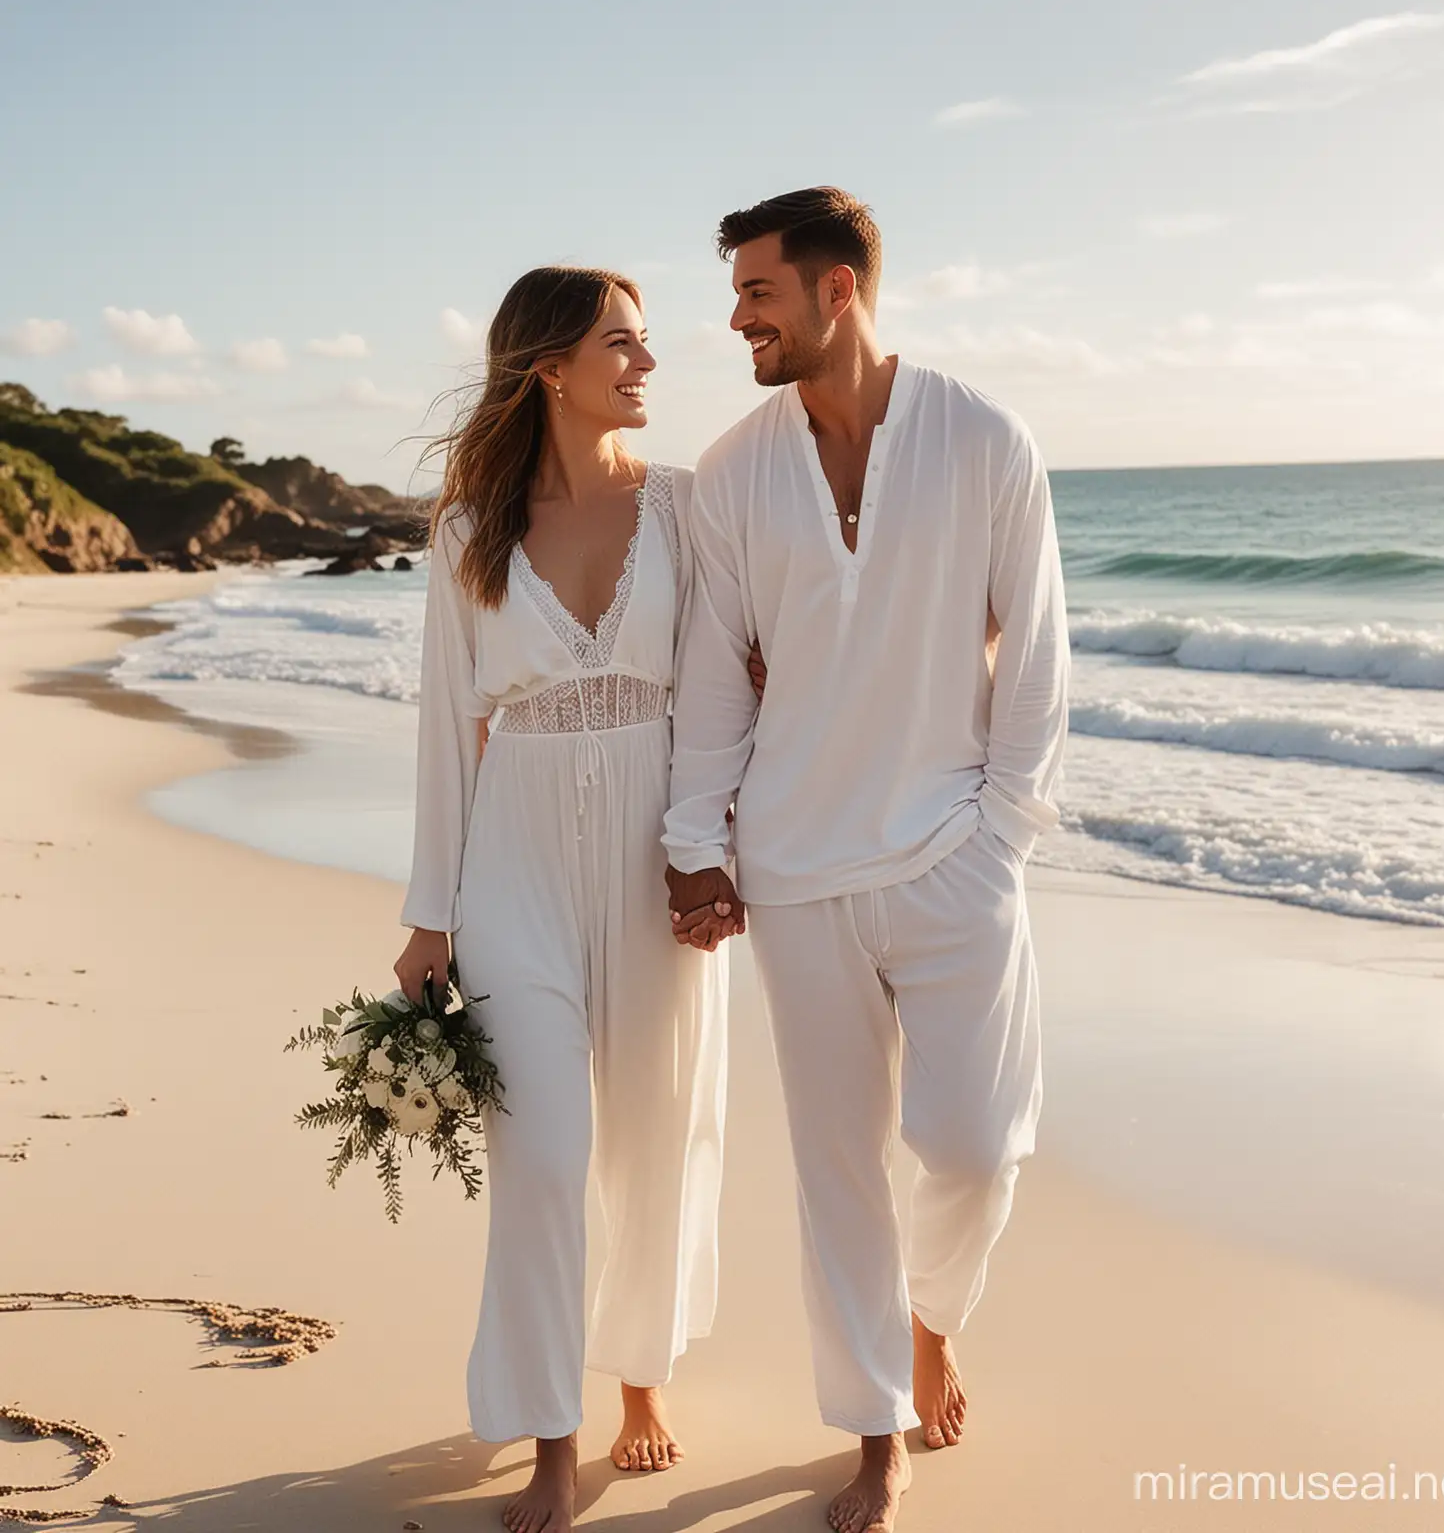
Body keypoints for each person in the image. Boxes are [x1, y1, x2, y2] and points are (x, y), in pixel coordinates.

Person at [663, 187, 1069, 1533]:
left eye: (758, 294)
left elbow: (1039, 658)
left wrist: (1001, 831)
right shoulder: (732, 469)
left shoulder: (984, 441)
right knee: (835, 1168)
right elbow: (716, 670)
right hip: (793, 871)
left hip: (955, 855)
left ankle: (935, 1316)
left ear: (838, 291)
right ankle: (873, 1429)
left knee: (973, 1144)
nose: (736, 320)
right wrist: (696, 838)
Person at [395, 266, 749, 1533]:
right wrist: (429, 914)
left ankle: (639, 1383)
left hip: (659, 858)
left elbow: (728, 693)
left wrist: (721, 851)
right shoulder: (466, 533)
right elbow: (445, 731)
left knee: (657, 1140)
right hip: (514, 873)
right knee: (542, 1162)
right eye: (623, 345)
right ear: (550, 365)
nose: (648, 364)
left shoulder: (695, 508)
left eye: (646, 344)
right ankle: (553, 1431)